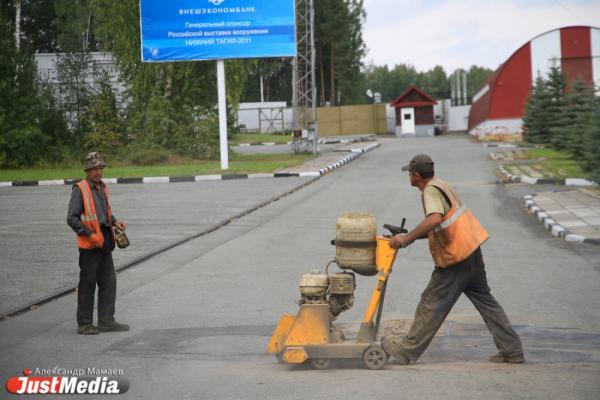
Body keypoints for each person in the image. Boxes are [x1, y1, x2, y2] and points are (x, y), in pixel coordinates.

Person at [381, 154, 524, 364]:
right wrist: (408, 236)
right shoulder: (441, 185)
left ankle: (406, 351)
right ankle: (513, 351)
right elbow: (442, 223)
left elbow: (434, 219)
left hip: (455, 259)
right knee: (486, 302)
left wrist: (407, 240)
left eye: (410, 174)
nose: (409, 177)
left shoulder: (429, 190)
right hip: (471, 251)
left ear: (417, 175)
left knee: (430, 303)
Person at [67, 152, 130, 335]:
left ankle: (106, 321)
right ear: (87, 170)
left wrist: (114, 221)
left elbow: (103, 212)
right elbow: (72, 218)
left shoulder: (102, 187)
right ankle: (84, 323)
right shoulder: (80, 189)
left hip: (105, 240)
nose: (99, 172)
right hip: (90, 244)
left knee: (109, 282)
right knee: (88, 284)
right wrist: (89, 234)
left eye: (101, 168)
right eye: (95, 169)